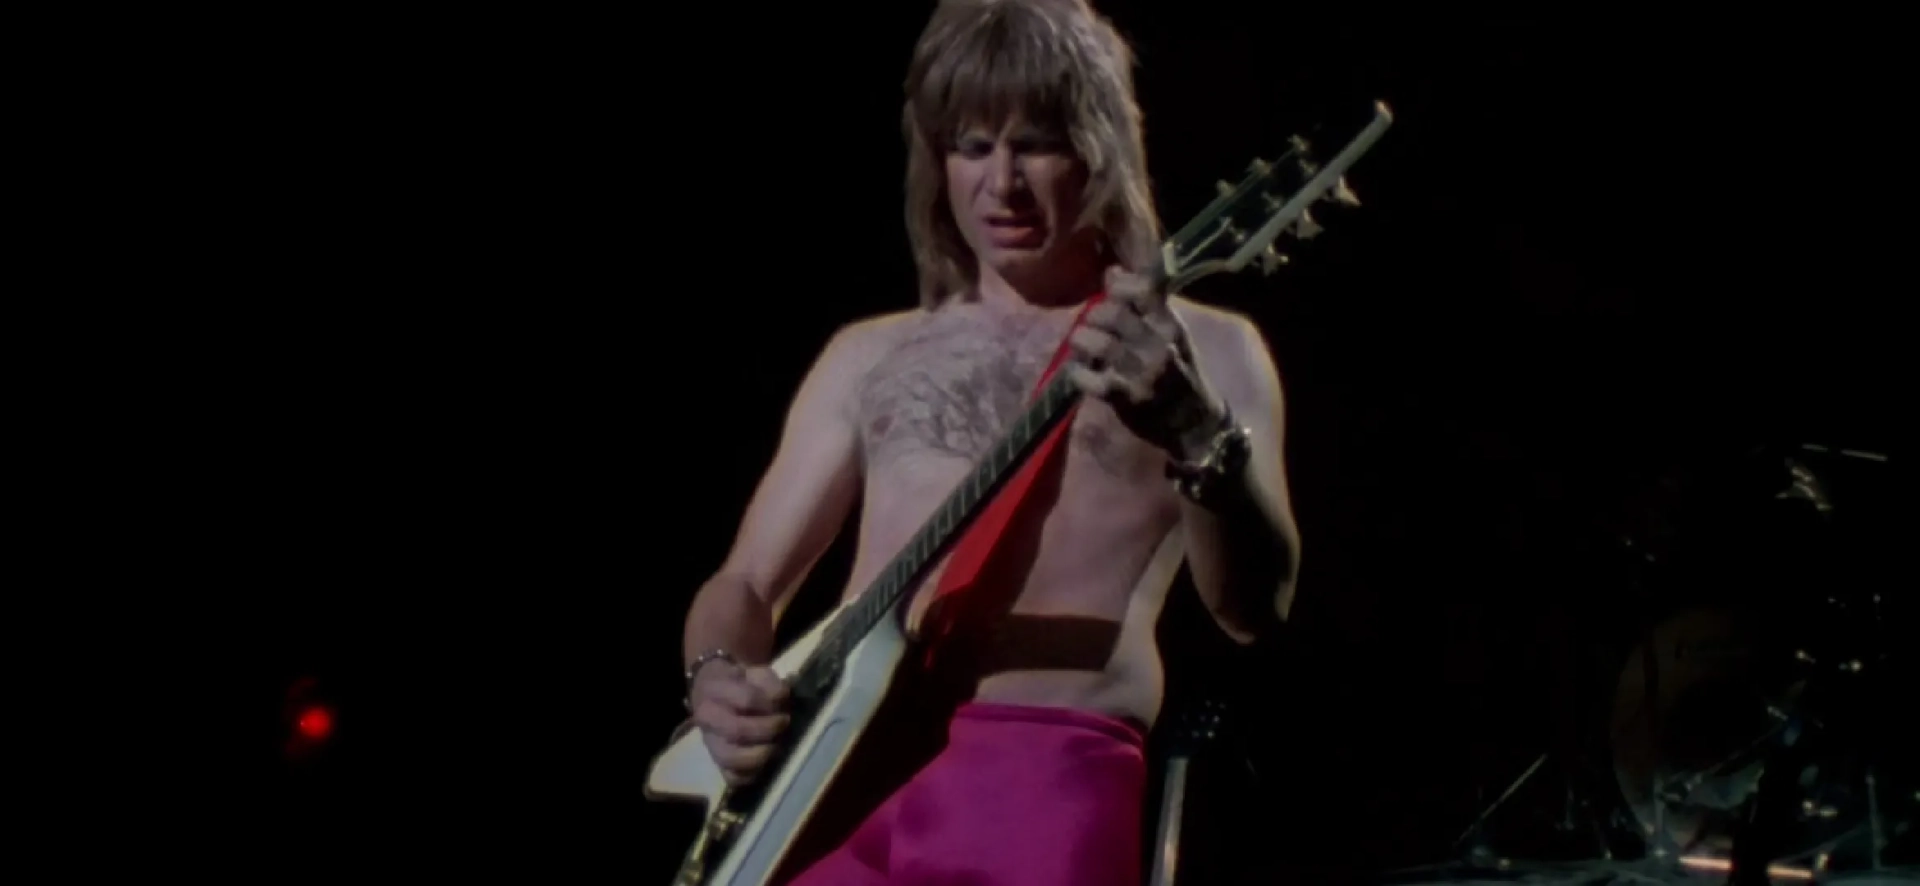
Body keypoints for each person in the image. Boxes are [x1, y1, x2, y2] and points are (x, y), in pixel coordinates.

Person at [678, 0, 1300, 882]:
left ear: (1101, 150)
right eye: (973, 146)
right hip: (835, 783)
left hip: (1044, 769)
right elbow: (745, 581)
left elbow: (1254, 609)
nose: (1002, 184)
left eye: (1037, 145)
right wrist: (717, 676)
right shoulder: (867, 356)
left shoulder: (1208, 350)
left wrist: (1198, 433)